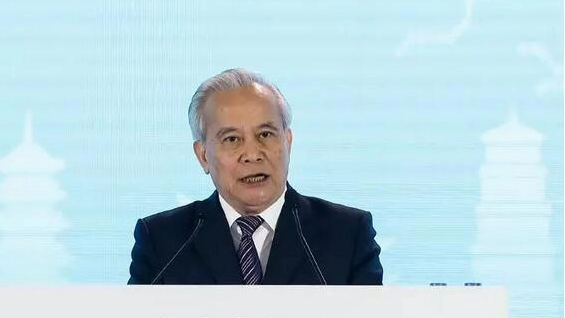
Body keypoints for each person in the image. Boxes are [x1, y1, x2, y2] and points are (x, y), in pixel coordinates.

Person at [128, 68, 383, 285]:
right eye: (232, 139)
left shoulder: (347, 234)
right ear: (203, 156)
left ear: (287, 142)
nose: (252, 154)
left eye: (265, 134)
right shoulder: (163, 241)